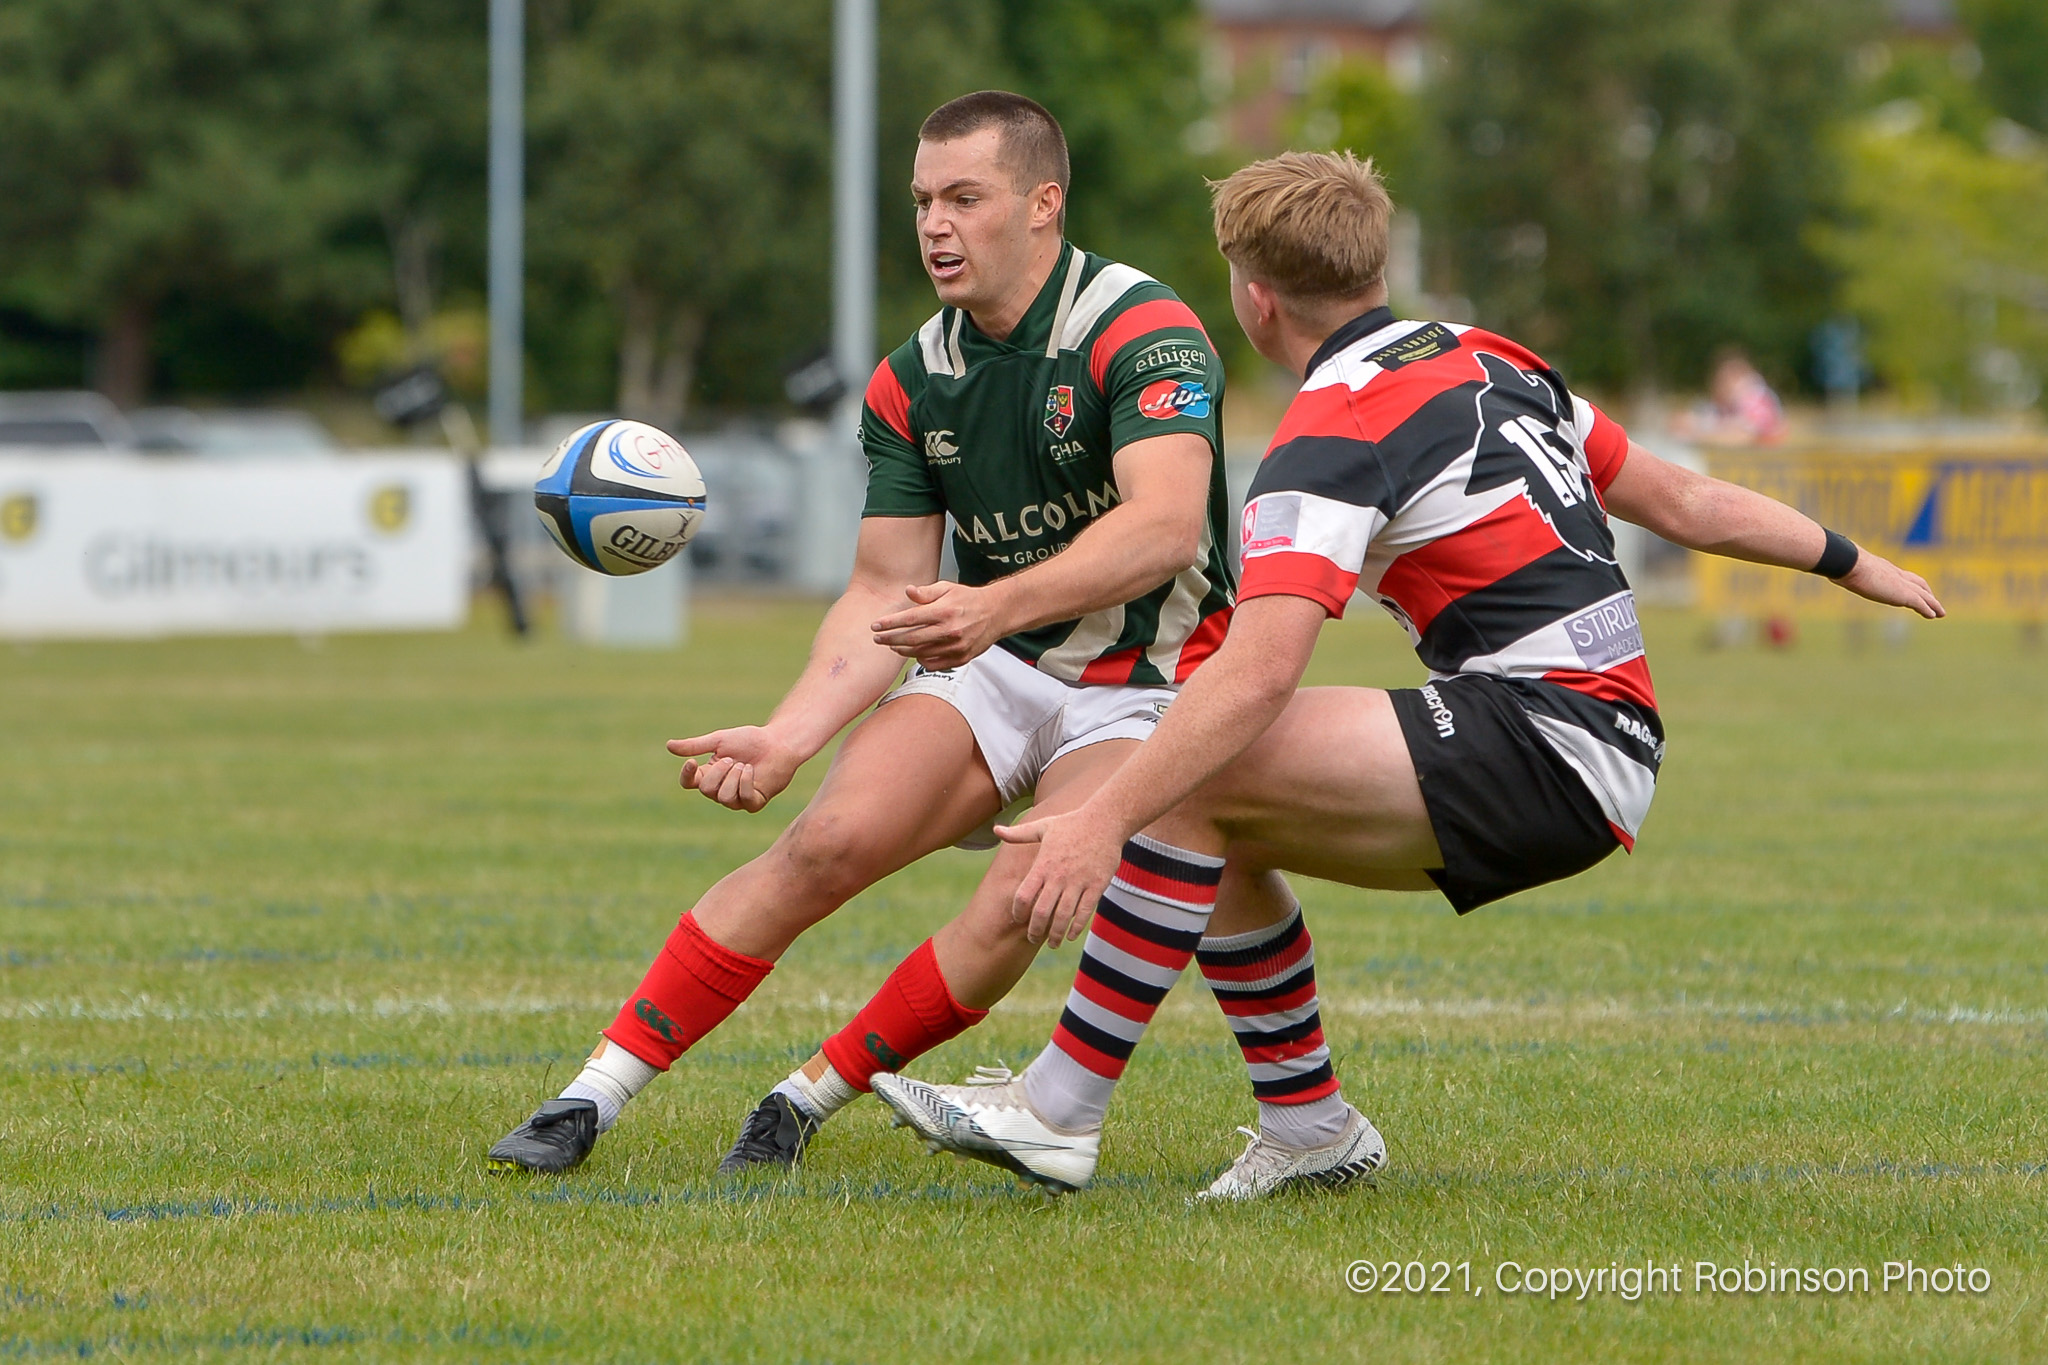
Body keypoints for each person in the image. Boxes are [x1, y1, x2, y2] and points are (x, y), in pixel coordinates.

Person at [870, 150, 1944, 1198]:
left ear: (1253, 301)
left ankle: (1057, 1111)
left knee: (1187, 765)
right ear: (1369, 267)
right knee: (1212, 814)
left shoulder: (1329, 430)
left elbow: (1254, 678)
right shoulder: (1492, 356)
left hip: (1544, 739)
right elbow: (1682, 500)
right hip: (1599, 734)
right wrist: (1857, 563)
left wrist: (1099, 817)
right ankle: (1308, 1129)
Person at [485, 90, 1253, 1175]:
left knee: (1018, 895)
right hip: (999, 664)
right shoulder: (912, 379)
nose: (935, 224)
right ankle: (588, 1099)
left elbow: (1165, 528)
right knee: (825, 842)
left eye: (963, 198)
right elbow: (881, 588)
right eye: (921, 201)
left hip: (1152, 683)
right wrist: (790, 735)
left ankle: (805, 1097)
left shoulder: (1140, 330)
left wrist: (990, 603)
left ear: (1043, 204)